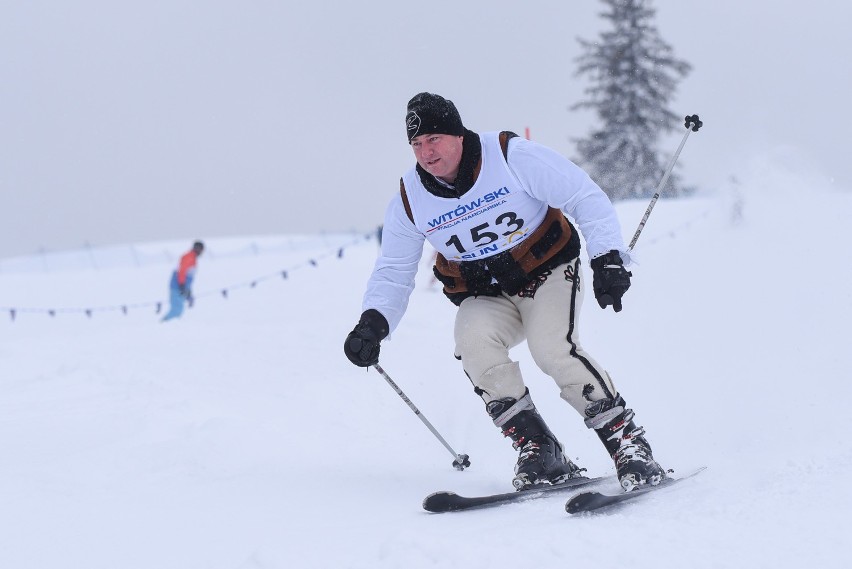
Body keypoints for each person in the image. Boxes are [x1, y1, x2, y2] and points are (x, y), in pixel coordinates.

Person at [343, 93, 667, 492]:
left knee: (552, 349)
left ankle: (628, 444)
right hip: (487, 294)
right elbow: (394, 270)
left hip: (548, 272)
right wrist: (373, 323)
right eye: (416, 144)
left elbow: (583, 194)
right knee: (473, 341)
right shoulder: (411, 199)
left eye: (433, 139)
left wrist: (608, 258)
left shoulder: (509, 156)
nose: (426, 153)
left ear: (458, 135)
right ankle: (541, 449)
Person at [161, 241, 204, 322]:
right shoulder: (189, 257)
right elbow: (182, 271)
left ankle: (168, 327)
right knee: (176, 310)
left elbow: (189, 275)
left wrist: (188, 290)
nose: (202, 253)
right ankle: (162, 325)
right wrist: (182, 285)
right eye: (202, 250)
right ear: (198, 249)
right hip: (177, 286)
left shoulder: (192, 258)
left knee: (178, 310)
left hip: (181, 287)